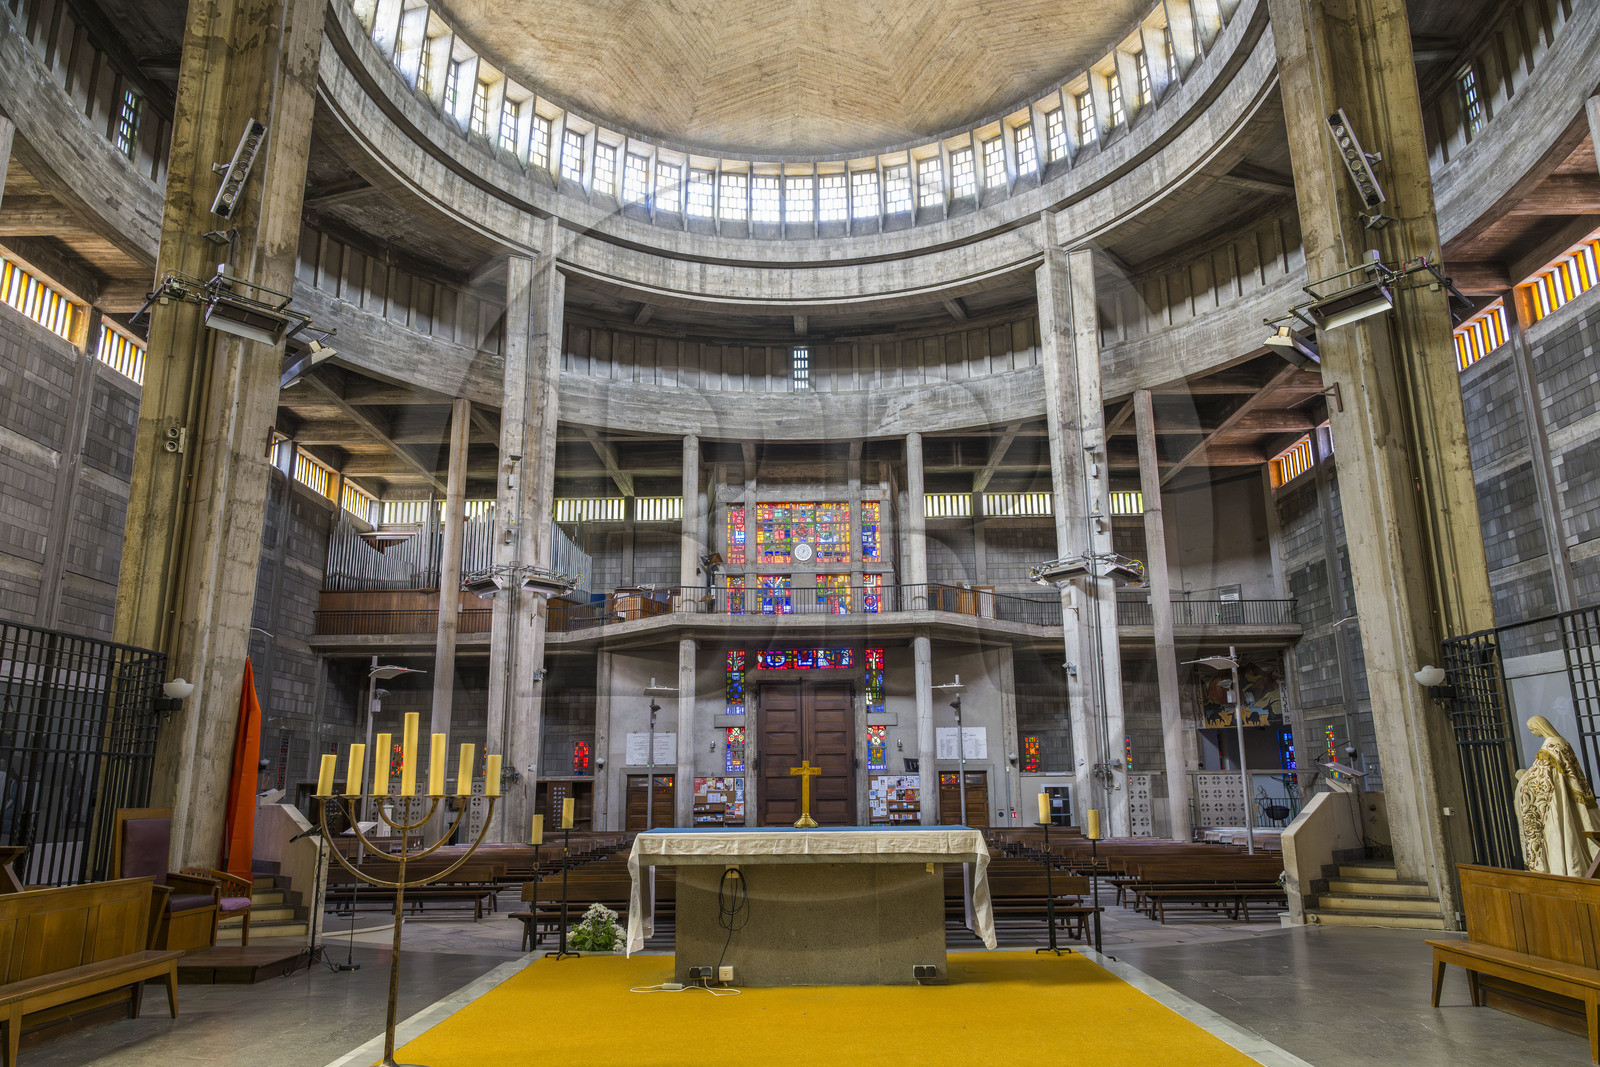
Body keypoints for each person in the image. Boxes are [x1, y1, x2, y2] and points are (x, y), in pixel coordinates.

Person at [1514, 716, 1600, 876]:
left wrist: (1523, 779)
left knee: (1566, 835)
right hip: (1567, 796)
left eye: (1533, 729)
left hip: (1560, 799)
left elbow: (1543, 777)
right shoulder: (1563, 742)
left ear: (1541, 726)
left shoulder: (1550, 746)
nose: (1533, 733)